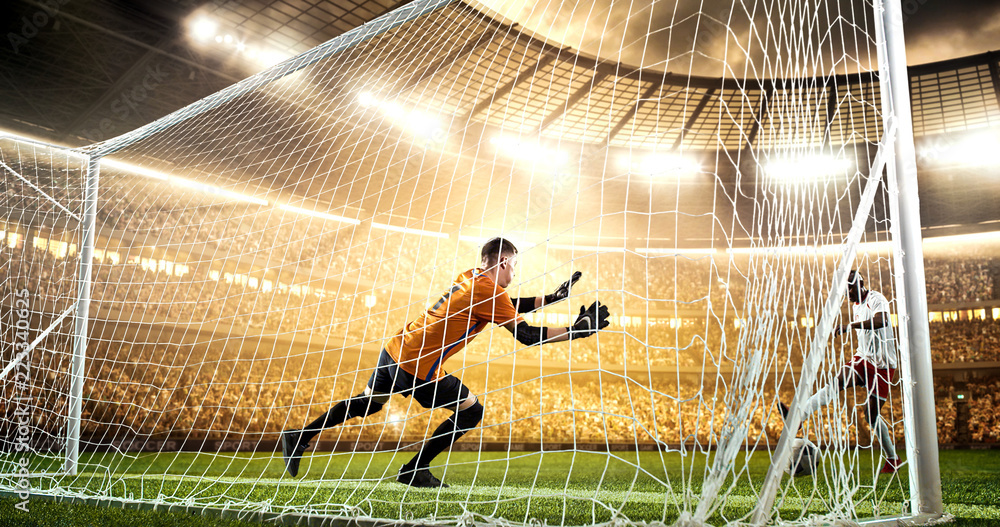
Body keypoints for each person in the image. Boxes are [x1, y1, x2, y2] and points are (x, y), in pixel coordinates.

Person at [281, 237, 611, 487]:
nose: (514, 272)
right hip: (419, 366)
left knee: (368, 404)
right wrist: (577, 331)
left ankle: (300, 436)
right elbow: (525, 335)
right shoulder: (490, 293)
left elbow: (507, 305)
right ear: (504, 262)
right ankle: (415, 470)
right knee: (472, 410)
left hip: (397, 347)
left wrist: (550, 299)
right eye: (513, 266)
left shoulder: (470, 277)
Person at [780, 270, 901, 474]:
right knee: (835, 383)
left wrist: (850, 326)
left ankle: (892, 458)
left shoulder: (876, 298)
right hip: (863, 359)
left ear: (860, 283)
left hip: (883, 366)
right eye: (845, 290)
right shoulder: (855, 305)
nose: (848, 293)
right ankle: (798, 416)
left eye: (850, 288)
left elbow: (882, 322)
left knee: (871, 417)